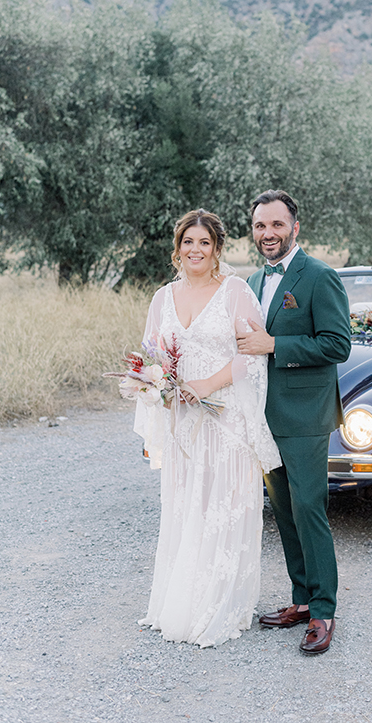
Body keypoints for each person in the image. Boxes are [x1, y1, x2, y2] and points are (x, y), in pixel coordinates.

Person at [134, 209, 281, 648]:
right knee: (187, 504)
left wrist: (207, 385)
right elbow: (152, 356)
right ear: (177, 248)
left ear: (217, 248)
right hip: (183, 419)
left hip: (226, 417)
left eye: (204, 242)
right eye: (188, 242)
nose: (195, 250)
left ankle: (221, 604)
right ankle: (181, 602)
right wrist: (157, 386)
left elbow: (252, 354)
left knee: (225, 504)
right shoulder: (162, 298)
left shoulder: (235, 292)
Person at [237, 189, 351, 655]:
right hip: (262, 415)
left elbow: (337, 344)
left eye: (276, 225)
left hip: (304, 415)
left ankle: (324, 610)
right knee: (283, 511)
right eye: (260, 225)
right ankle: (301, 600)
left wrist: (276, 346)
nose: (268, 233)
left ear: (295, 228)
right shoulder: (250, 281)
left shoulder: (319, 276)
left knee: (308, 508)